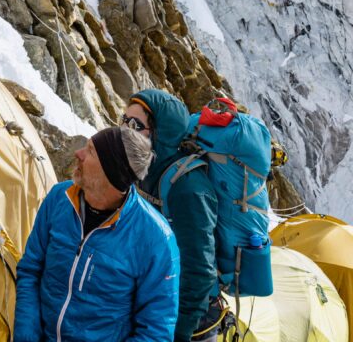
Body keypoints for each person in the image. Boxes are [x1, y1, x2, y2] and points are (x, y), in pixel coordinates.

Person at [14, 125, 180, 342]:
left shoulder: (156, 239)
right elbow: (30, 270)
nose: (78, 153)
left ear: (111, 172)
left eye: (90, 151)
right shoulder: (59, 197)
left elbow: (155, 332)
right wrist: (26, 335)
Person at [126, 91, 221, 341]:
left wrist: (179, 333)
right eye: (124, 121)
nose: (125, 130)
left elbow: (200, 272)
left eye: (135, 125)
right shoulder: (144, 169)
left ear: (161, 133)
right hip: (155, 305)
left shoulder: (189, 188)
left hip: (190, 322)